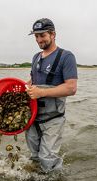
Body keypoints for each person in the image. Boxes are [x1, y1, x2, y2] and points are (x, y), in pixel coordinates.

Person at [25, 18, 78, 173]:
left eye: (42, 35)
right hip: (33, 116)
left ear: (53, 34)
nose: (39, 39)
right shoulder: (36, 57)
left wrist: (41, 92)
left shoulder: (66, 56)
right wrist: (22, 87)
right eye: (36, 36)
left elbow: (71, 88)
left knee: (47, 159)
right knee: (35, 157)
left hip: (53, 118)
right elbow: (32, 80)